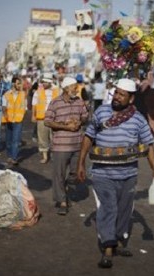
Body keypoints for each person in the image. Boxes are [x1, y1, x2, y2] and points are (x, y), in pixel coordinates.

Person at [77, 78, 154, 269]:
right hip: (102, 173)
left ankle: (118, 240)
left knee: (124, 210)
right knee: (109, 208)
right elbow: (89, 136)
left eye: (122, 94)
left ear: (131, 99)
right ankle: (108, 247)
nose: (117, 97)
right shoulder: (101, 112)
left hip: (128, 174)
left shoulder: (138, 119)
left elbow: (148, 146)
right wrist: (80, 163)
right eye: (116, 92)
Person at [44, 76, 88, 215]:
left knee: (75, 174)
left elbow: (85, 116)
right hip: (60, 145)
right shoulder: (55, 103)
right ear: (66, 88)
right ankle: (62, 201)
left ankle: (64, 187)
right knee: (59, 174)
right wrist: (65, 126)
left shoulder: (79, 101)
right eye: (74, 87)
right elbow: (47, 121)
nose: (77, 89)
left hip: (77, 144)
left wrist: (80, 121)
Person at [32, 73, 60, 163]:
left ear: (50, 82)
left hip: (54, 118)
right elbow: (34, 104)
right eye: (42, 82)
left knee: (54, 137)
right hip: (41, 118)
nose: (43, 83)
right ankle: (45, 156)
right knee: (42, 138)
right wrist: (33, 115)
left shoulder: (57, 91)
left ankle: (54, 154)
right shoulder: (38, 91)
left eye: (45, 82)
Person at [2, 76, 27, 165]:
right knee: (8, 141)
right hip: (8, 120)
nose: (20, 85)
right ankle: (9, 156)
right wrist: (5, 114)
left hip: (18, 120)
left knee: (16, 140)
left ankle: (14, 158)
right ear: (13, 84)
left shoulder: (23, 94)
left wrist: (22, 115)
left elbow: (24, 106)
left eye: (20, 83)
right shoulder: (7, 94)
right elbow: (4, 106)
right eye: (18, 83)